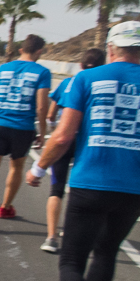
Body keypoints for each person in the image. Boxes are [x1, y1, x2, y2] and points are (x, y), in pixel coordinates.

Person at [25, 22, 140, 281]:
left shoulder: (86, 79)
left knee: (72, 259)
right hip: (134, 188)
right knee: (106, 252)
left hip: (92, 181)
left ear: (110, 49)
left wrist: (39, 170)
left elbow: (63, 135)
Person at [0, 34, 50, 226]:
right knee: (16, 167)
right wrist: (42, 133)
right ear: (39, 51)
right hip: (22, 128)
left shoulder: (2, 68)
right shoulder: (42, 72)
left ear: (21, 49)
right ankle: (5, 207)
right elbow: (41, 107)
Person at [39, 48, 106, 253]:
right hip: (88, 143)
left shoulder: (68, 83)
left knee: (56, 188)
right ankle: (70, 231)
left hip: (64, 139)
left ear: (80, 65)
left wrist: (53, 129)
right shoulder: (101, 84)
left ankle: (51, 237)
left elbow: (51, 114)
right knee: (80, 188)